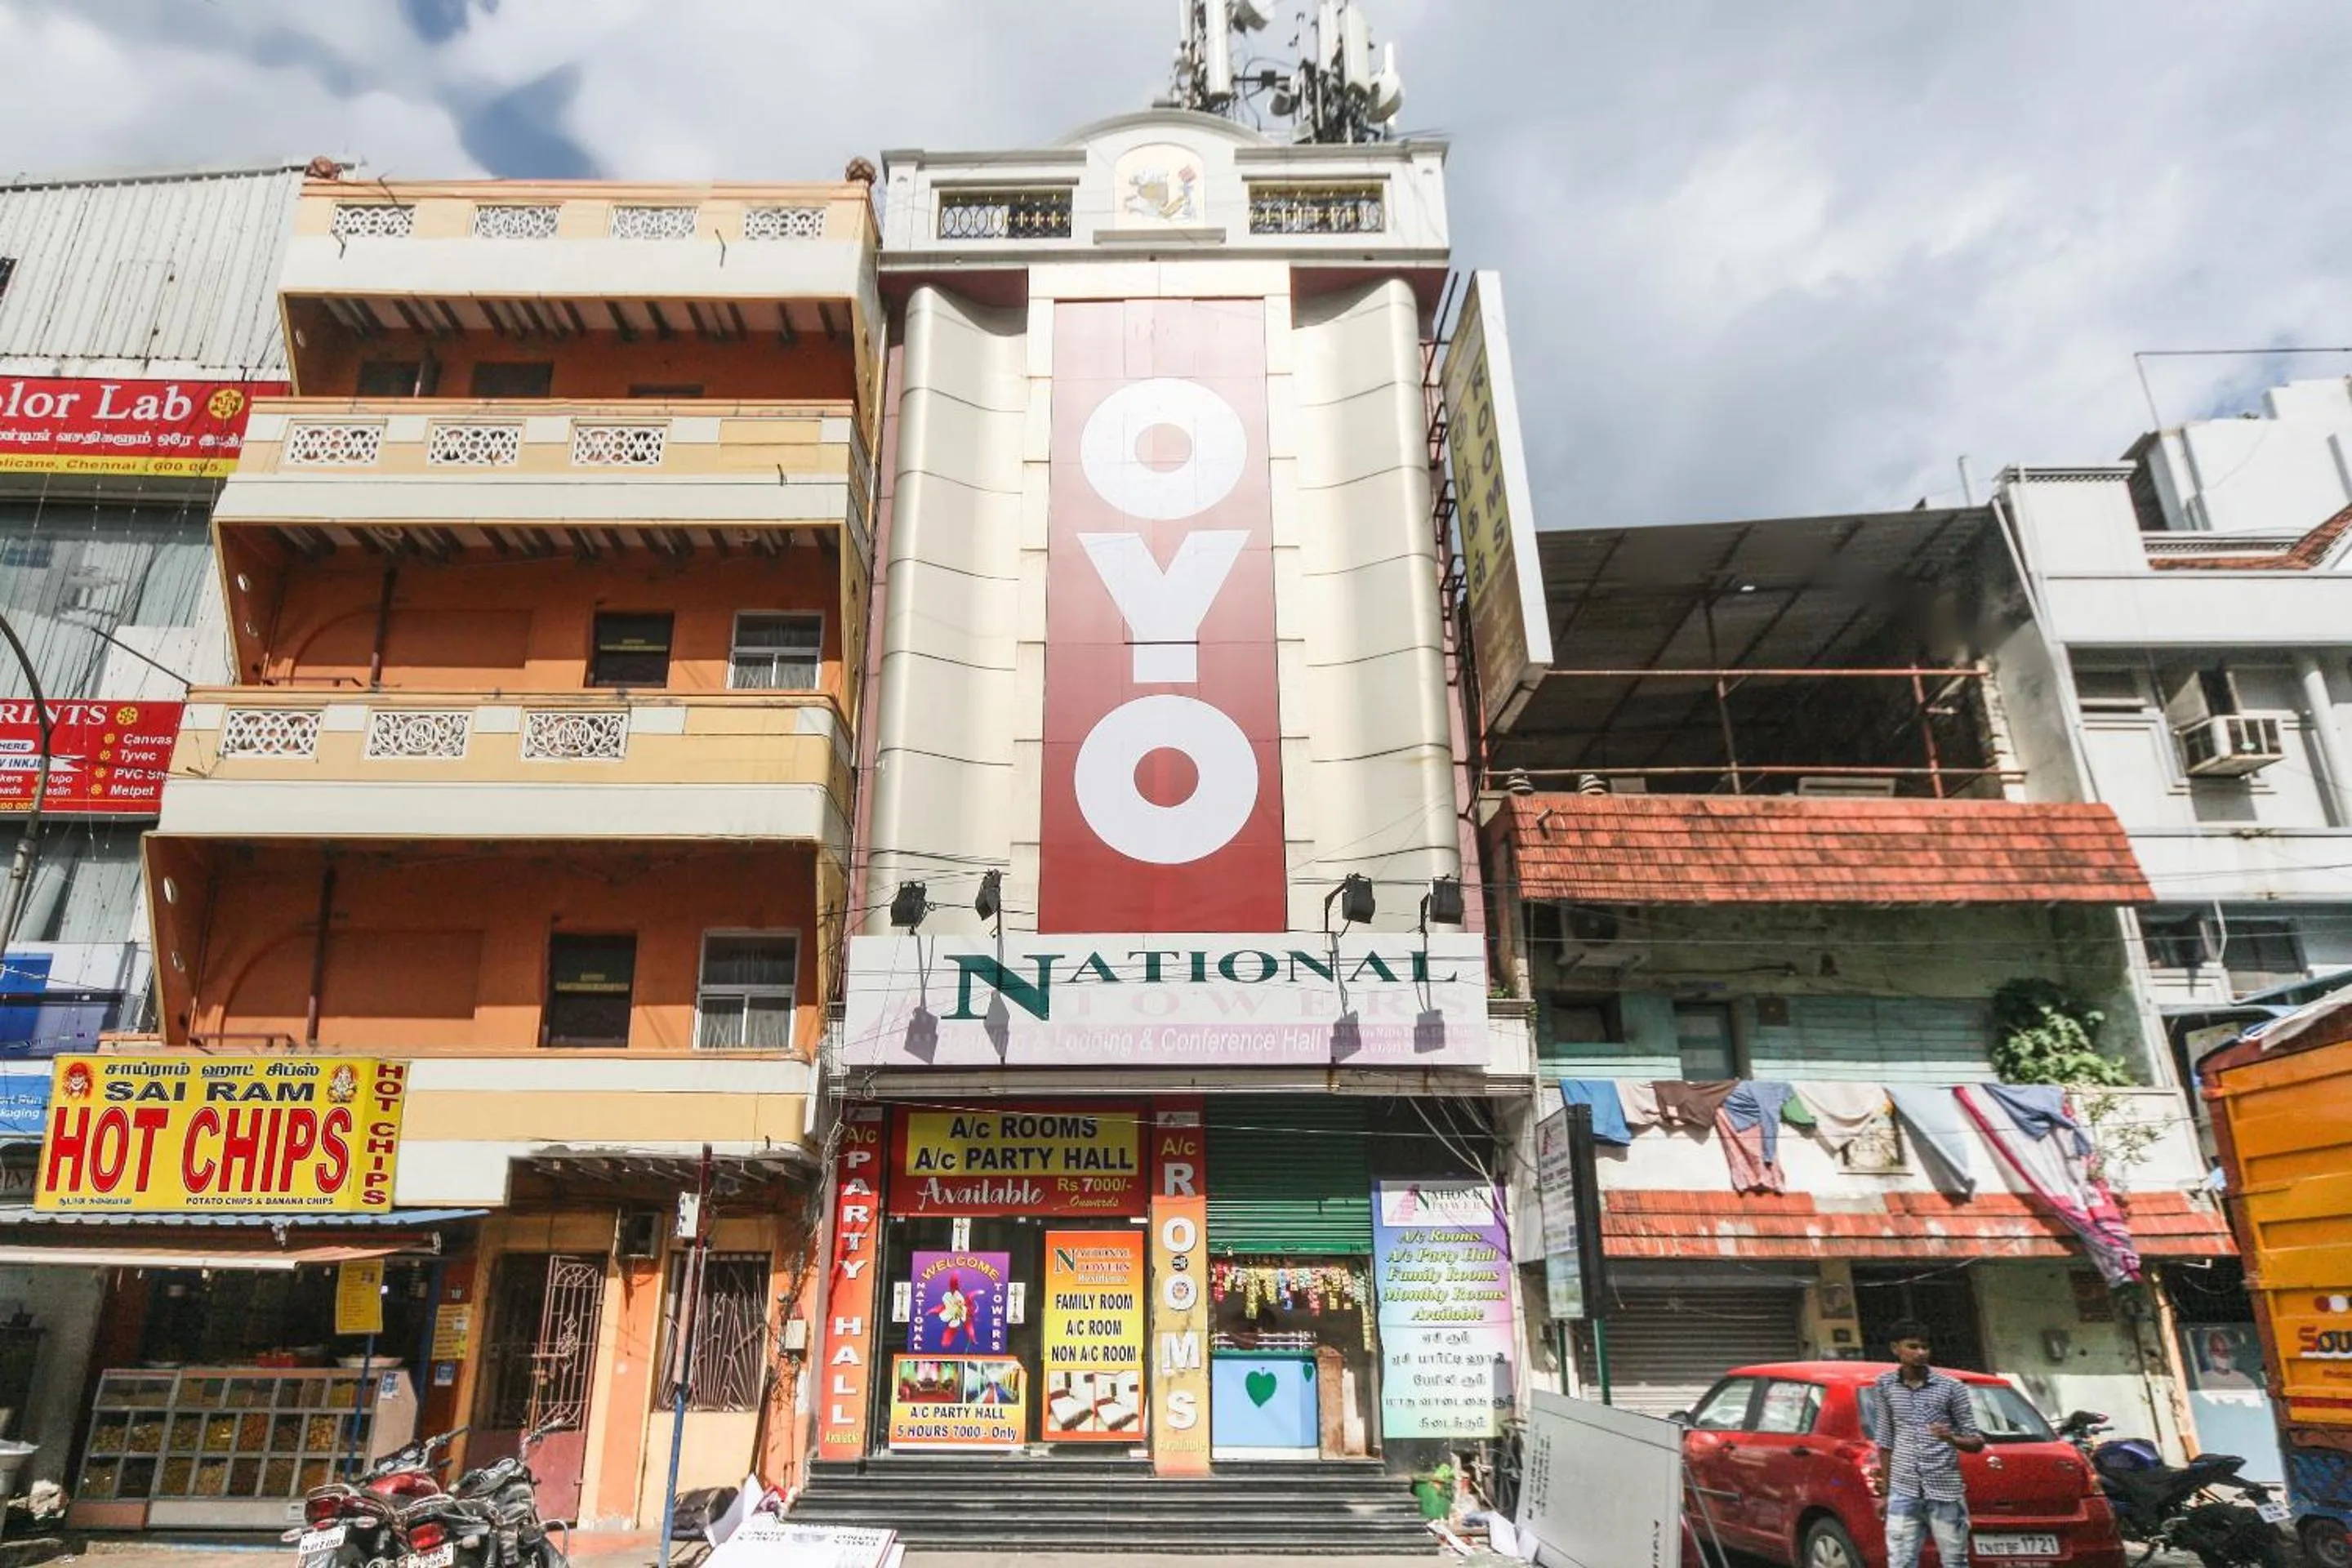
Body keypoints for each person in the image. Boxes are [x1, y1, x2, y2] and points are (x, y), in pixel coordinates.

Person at [1869, 1320, 1984, 1568]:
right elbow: (1885, 1440)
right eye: (1912, 1346)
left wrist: (1950, 1438)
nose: (1921, 1353)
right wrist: (1886, 1493)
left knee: (1954, 1561)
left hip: (1945, 1489)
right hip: (1903, 1488)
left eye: (1924, 1347)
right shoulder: (1884, 1386)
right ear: (1895, 1348)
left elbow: (1976, 1442)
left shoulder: (1951, 1388)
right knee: (1900, 1561)